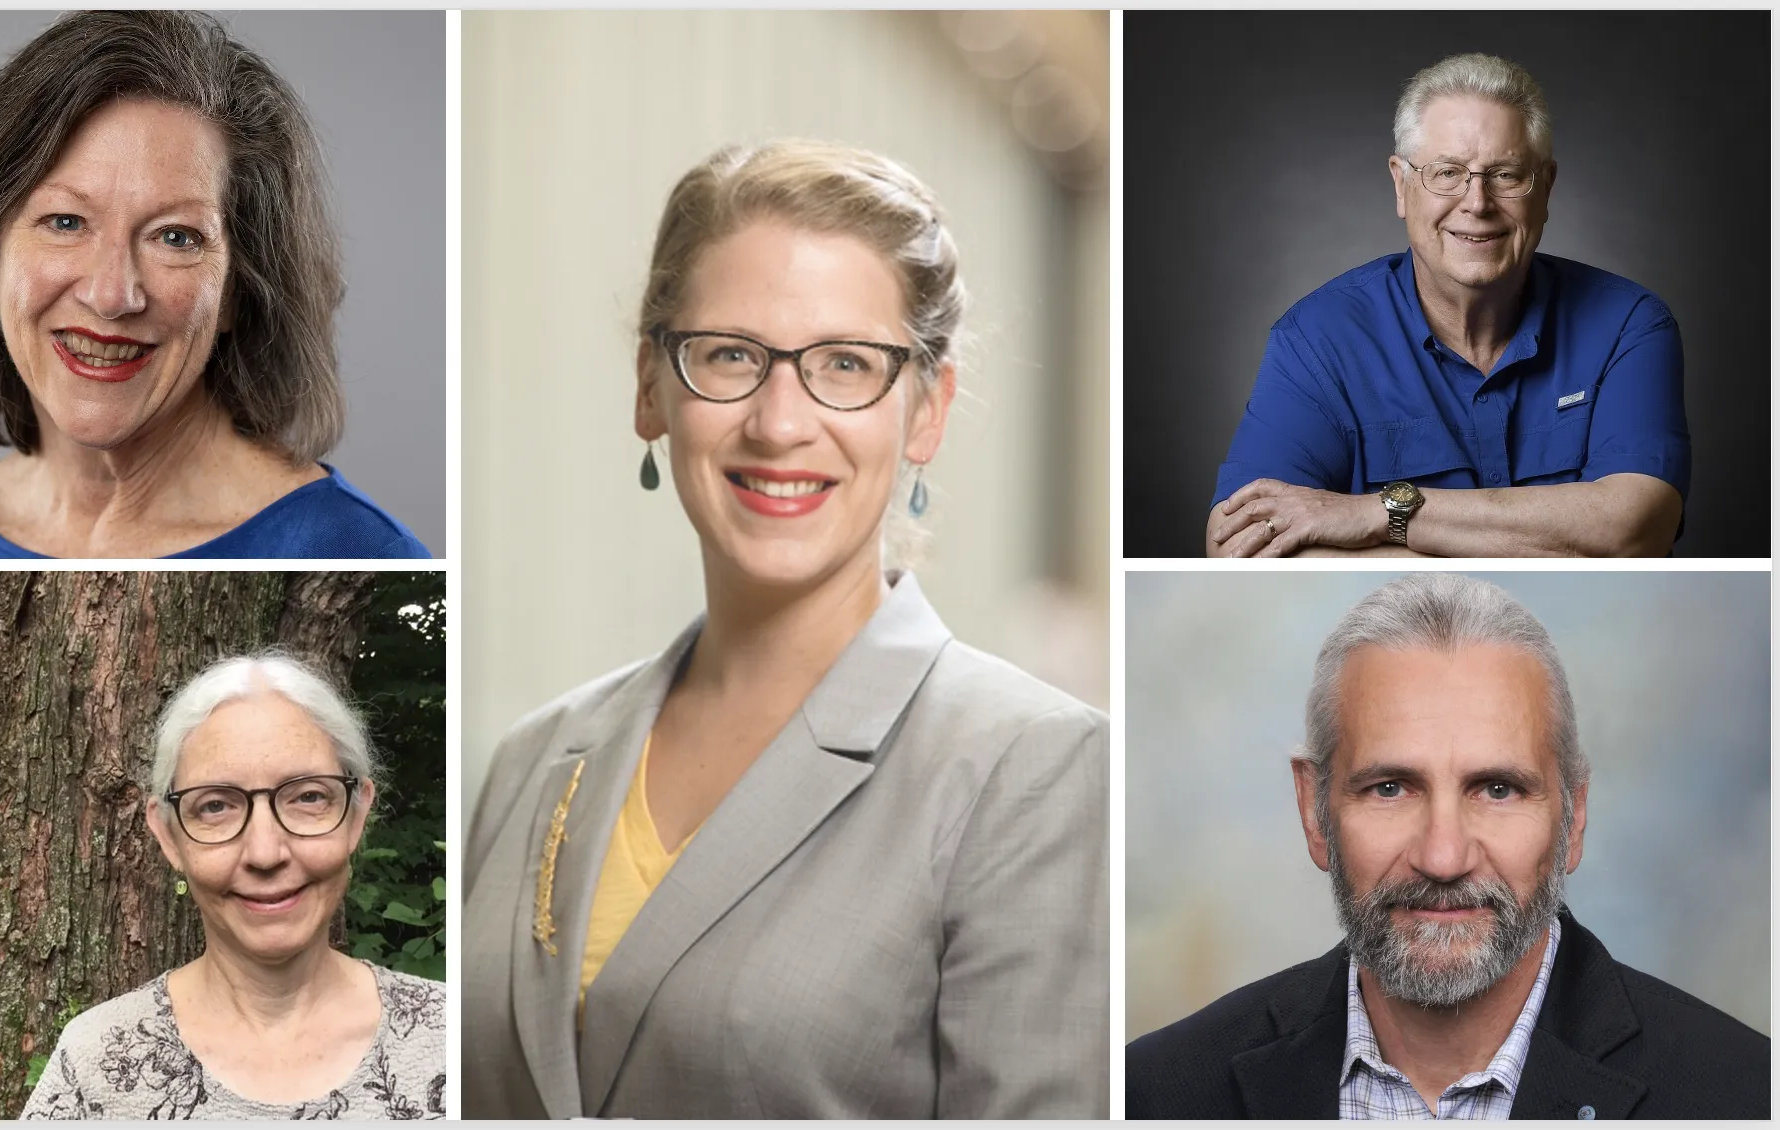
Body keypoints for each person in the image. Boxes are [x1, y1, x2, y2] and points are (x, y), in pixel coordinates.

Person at [460, 140, 1109, 1119]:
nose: (778, 421)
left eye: (844, 364)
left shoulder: (1035, 771)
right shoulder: (532, 758)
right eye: (730, 354)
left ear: (924, 410)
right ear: (651, 385)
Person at [1126, 574, 1768, 1119]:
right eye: (1389, 788)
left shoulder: (1743, 1095)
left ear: (1572, 818)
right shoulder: (1157, 1094)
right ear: (1314, 810)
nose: (1443, 857)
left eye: (1496, 789)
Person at [0, 11, 429, 559]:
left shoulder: (355, 549)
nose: (112, 295)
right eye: (65, 222)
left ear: (233, 290)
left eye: (175, 237)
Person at [1206, 54, 1688, 558]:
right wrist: (1548, 544)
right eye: (1447, 172)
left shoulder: (1629, 325)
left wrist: (1376, 513)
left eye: (1505, 174)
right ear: (1401, 184)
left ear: (1545, 188)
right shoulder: (1317, 339)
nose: (1476, 202)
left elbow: (1635, 529)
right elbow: (1236, 544)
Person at [21, 654, 444, 1119]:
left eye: (307, 797)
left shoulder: (458, 1038)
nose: (265, 853)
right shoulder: (95, 1064)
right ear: (168, 835)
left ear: (357, 813)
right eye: (216, 806)